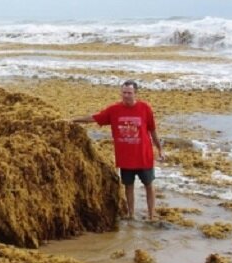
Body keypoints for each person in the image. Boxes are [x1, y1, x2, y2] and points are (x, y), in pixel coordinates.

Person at [70, 80, 165, 220]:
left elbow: (153, 131)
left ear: (135, 93)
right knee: (128, 186)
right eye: (124, 92)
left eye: (129, 93)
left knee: (149, 185)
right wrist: (73, 120)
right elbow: (95, 118)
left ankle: (151, 215)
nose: (126, 96)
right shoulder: (114, 110)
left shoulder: (145, 108)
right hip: (125, 158)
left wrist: (160, 150)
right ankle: (131, 214)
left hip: (144, 156)